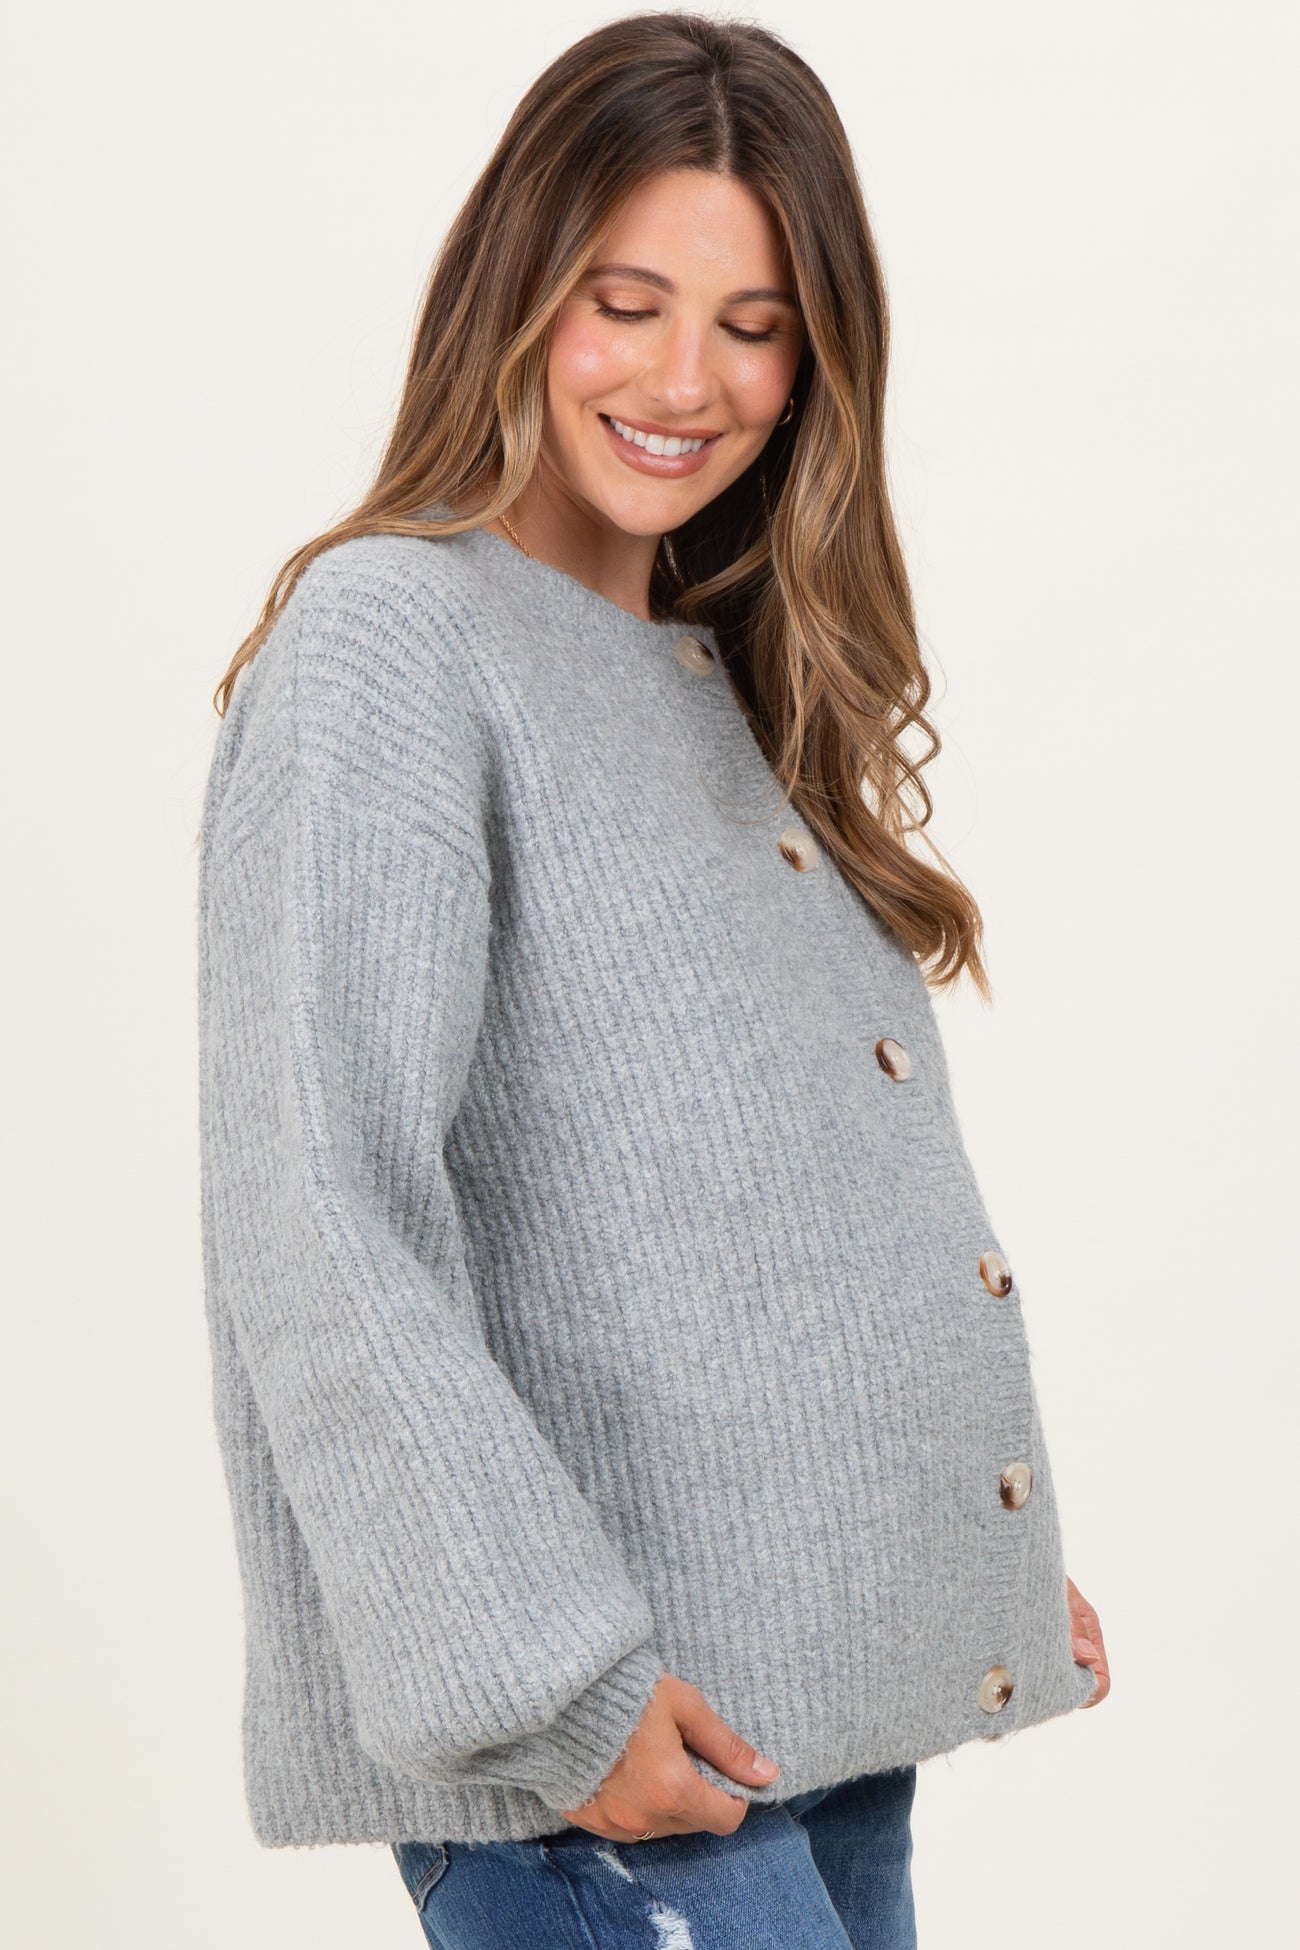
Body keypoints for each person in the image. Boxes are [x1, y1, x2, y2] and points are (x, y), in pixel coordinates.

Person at [196, 12, 1109, 1947]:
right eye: (627, 303)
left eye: (755, 324)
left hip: (807, 1723)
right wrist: (556, 1688)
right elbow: (322, 1212)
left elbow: (739, 1230)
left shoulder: (725, 682)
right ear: (518, 289)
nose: (687, 378)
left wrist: (958, 1573)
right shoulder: (395, 640)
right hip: (609, 1760)